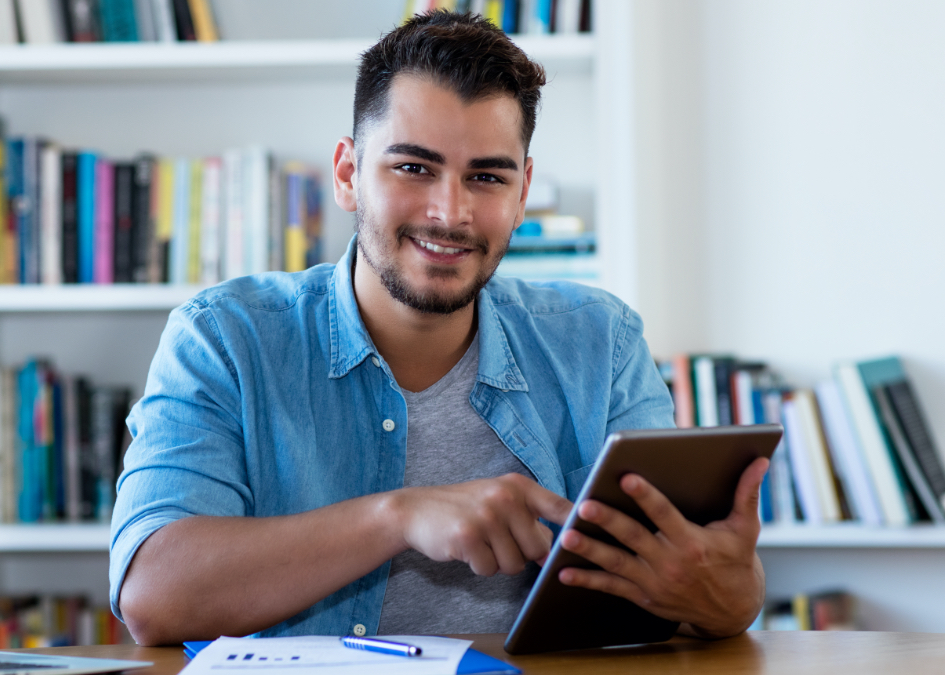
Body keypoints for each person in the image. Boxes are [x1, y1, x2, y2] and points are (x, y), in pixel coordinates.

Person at [109, 10, 768, 647]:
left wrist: (729, 594)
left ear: (522, 193)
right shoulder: (223, 338)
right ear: (347, 174)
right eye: (414, 167)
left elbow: (720, 594)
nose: (449, 212)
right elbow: (152, 591)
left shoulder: (601, 341)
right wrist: (400, 515)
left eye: (486, 176)